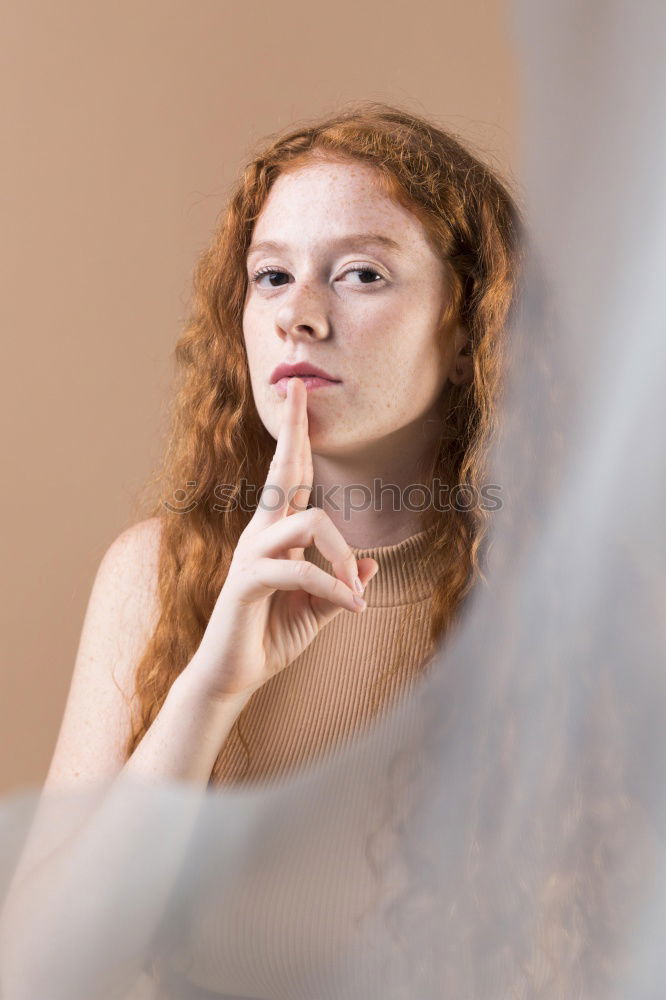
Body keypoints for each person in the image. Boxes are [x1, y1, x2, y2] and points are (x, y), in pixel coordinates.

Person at [0, 102, 522, 998]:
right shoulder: (157, 575)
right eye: (272, 276)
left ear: (466, 318)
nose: (300, 317)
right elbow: (34, 977)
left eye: (361, 274)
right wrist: (211, 684)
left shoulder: (545, 598)